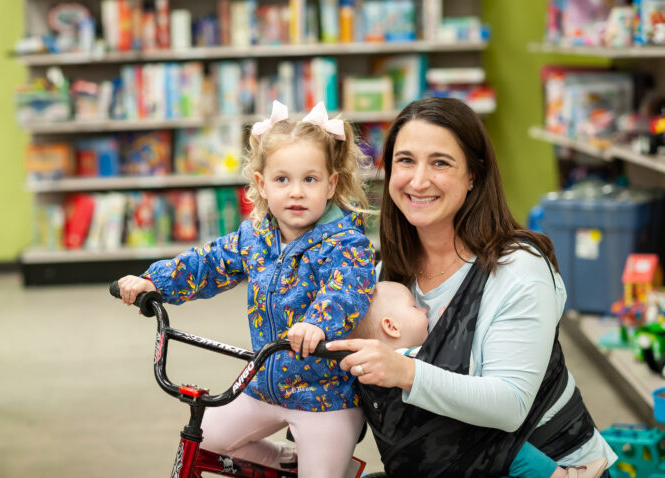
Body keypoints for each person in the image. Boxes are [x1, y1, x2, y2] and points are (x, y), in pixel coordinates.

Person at [326, 97, 618, 477]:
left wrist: (405, 372)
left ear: (473, 175)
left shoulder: (517, 268)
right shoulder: (385, 278)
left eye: (441, 163)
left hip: (547, 466)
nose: (418, 180)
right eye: (406, 160)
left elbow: (510, 404)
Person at [117, 100, 376, 478]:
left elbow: (347, 288)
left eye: (311, 179)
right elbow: (206, 263)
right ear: (262, 185)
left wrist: (318, 323)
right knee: (201, 437)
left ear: (331, 183)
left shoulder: (346, 244)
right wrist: (153, 281)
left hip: (327, 399)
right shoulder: (254, 237)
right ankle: (284, 461)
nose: (297, 192)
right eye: (282, 180)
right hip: (262, 389)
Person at [351, 280, 608, 478]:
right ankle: (559, 475)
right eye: (414, 307)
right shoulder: (408, 358)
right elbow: (464, 371)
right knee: (511, 449)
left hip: (422, 458)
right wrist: (449, 329)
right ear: (392, 326)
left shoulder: (371, 368)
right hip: (458, 448)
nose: (423, 311)